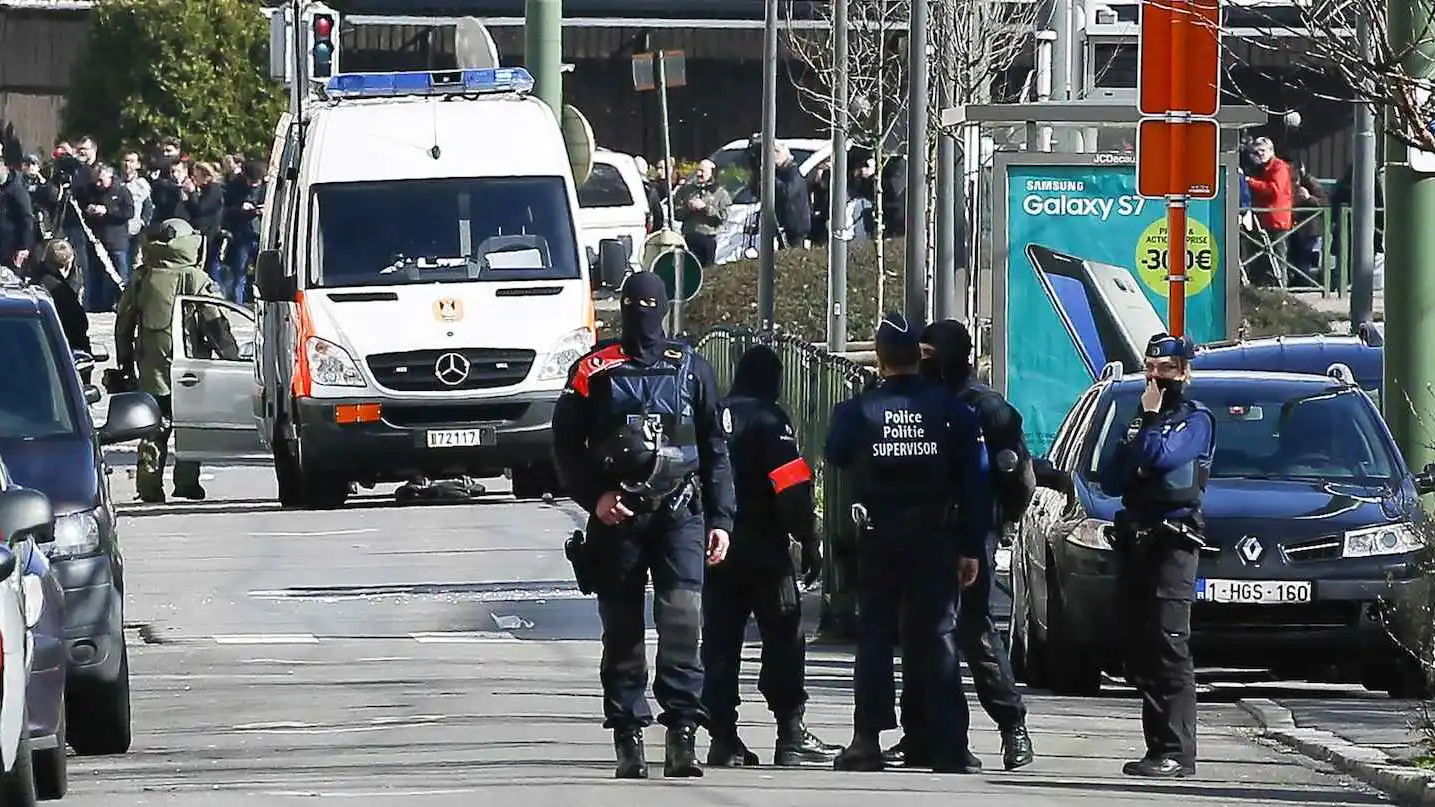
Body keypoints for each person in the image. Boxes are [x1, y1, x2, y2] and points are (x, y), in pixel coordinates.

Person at [550, 271, 736, 780]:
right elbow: (565, 450)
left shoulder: (691, 369)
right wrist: (597, 497)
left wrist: (722, 519)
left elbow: (716, 453)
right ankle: (628, 735)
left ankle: (682, 734)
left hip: (681, 514)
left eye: (651, 308)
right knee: (623, 633)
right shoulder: (593, 370)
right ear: (622, 310)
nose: (644, 320)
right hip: (618, 520)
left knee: (682, 623)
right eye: (635, 309)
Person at [824, 312, 991, 773]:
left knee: (875, 635)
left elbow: (835, 453)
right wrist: (971, 546)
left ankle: (867, 740)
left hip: (879, 535)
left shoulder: (859, 409)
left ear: (879, 359)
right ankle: (950, 744)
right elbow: (976, 482)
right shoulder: (953, 411)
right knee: (937, 636)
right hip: (936, 536)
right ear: (918, 355)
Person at [882, 319, 1036, 771]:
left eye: (931, 354)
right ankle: (920, 735)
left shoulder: (987, 408)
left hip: (968, 530)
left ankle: (1012, 726)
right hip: (921, 530)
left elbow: (1015, 475)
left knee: (973, 630)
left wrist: (995, 522)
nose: (923, 363)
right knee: (917, 631)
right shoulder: (916, 401)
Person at [702, 344, 841, 768]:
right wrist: (810, 539)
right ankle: (791, 733)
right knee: (783, 637)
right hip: (764, 550)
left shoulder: (714, 415)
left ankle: (722, 737)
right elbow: (793, 488)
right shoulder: (770, 419)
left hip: (716, 547)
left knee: (721, 644)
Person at [1099, 332, 1214, 778]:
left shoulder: (1195, 418)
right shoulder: (1140, 415)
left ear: (1184, 371)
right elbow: (1112, 475)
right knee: (1143, 645)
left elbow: (1161, 456)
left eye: (1164, 370)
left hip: (1174, 540)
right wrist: (1140, 444)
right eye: (1149, 368)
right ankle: (1156, 748)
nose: (1155, 377)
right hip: (1138, 538)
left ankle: (1178, 750)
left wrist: (1146, 438)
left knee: (1169, 644)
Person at [114, 219, 238, 504]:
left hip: (150, 367)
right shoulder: (196, 279)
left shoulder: (142, 277)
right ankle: (187, 482)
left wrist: (124, 362)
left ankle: (148, 485)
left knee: (152, 427)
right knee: (189, 425)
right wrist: (232, 357)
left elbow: (123, 322)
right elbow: (215, 323)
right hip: (191, 367)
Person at [29, 239, 91, 357]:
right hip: (61, 355)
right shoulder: (62, 291)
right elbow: (79, 324)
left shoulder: (34, 282)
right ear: (68, 263)